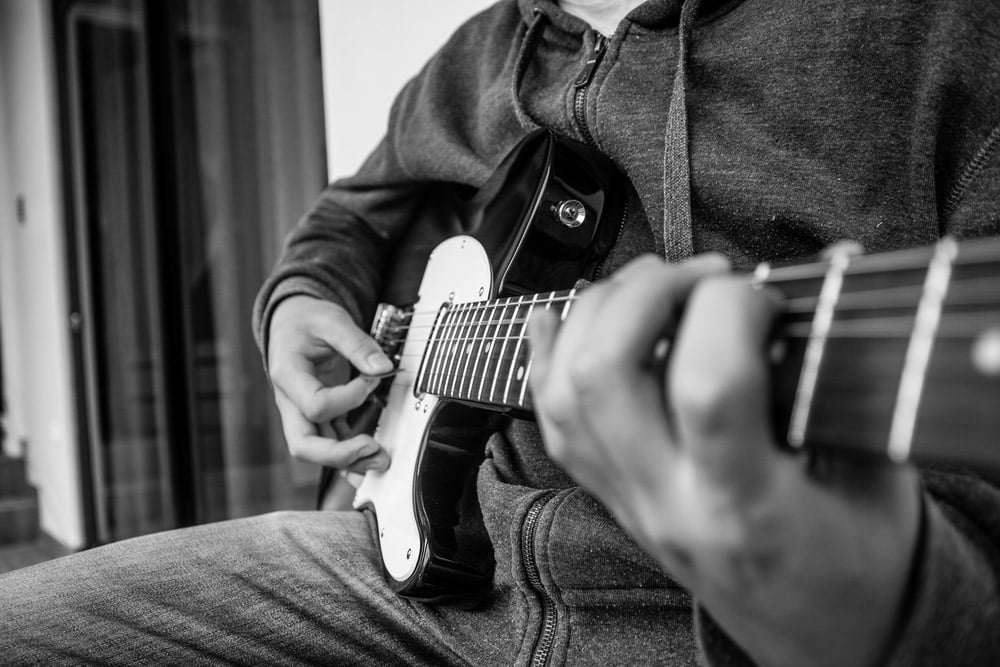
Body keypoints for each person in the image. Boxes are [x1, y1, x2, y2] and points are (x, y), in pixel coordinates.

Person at [3, 0, 1000, 664]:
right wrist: (297, 300)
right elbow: (356, 210)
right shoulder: (484, 48)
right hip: (410, 562)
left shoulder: (950, 33)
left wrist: (872, 596)